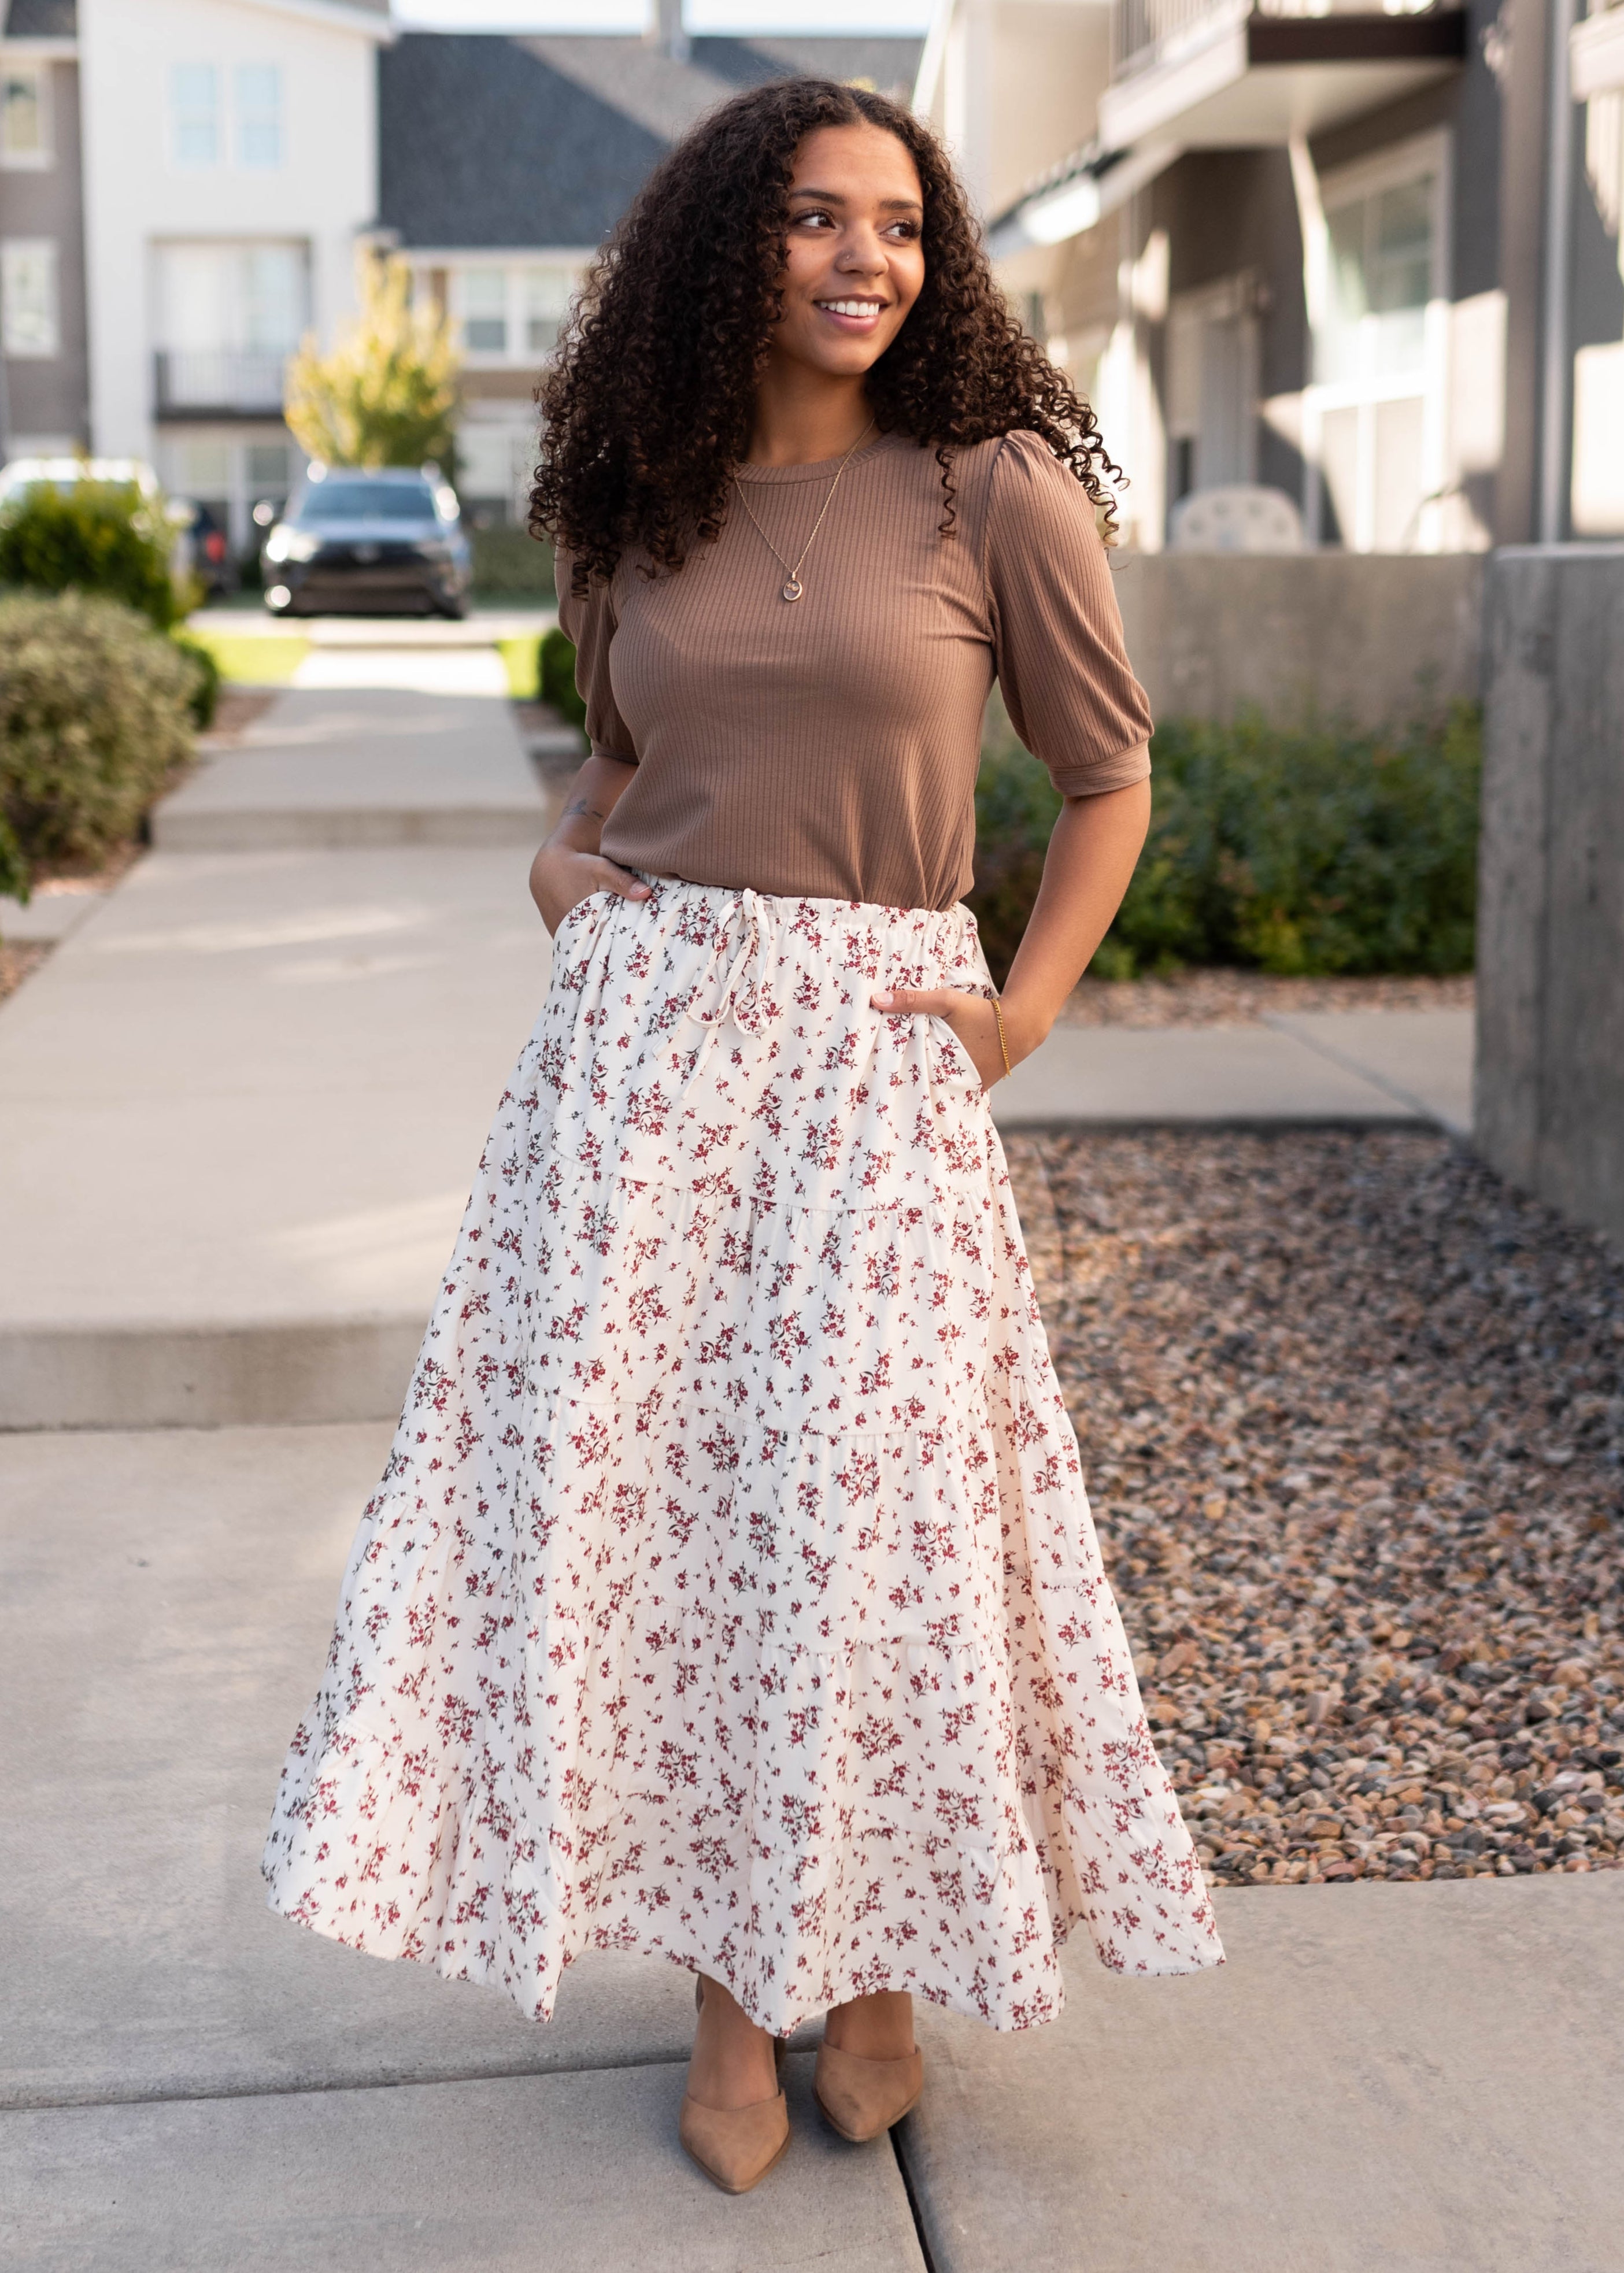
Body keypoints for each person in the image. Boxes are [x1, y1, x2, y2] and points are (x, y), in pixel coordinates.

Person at [263, 76, 1222, 2198]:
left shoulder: (989, 490)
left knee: (870, 1525)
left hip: (876, 1071)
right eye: (812, 216)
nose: (866, 255)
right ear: (728, 249)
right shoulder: (638, 501)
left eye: (900, 221)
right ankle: (725, 1990)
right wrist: (569, 884)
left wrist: (1018, 1010)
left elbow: (1108, 777)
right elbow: (607, 773)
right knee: (680, 1536)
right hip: (642, 1079)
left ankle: (866, 1970)